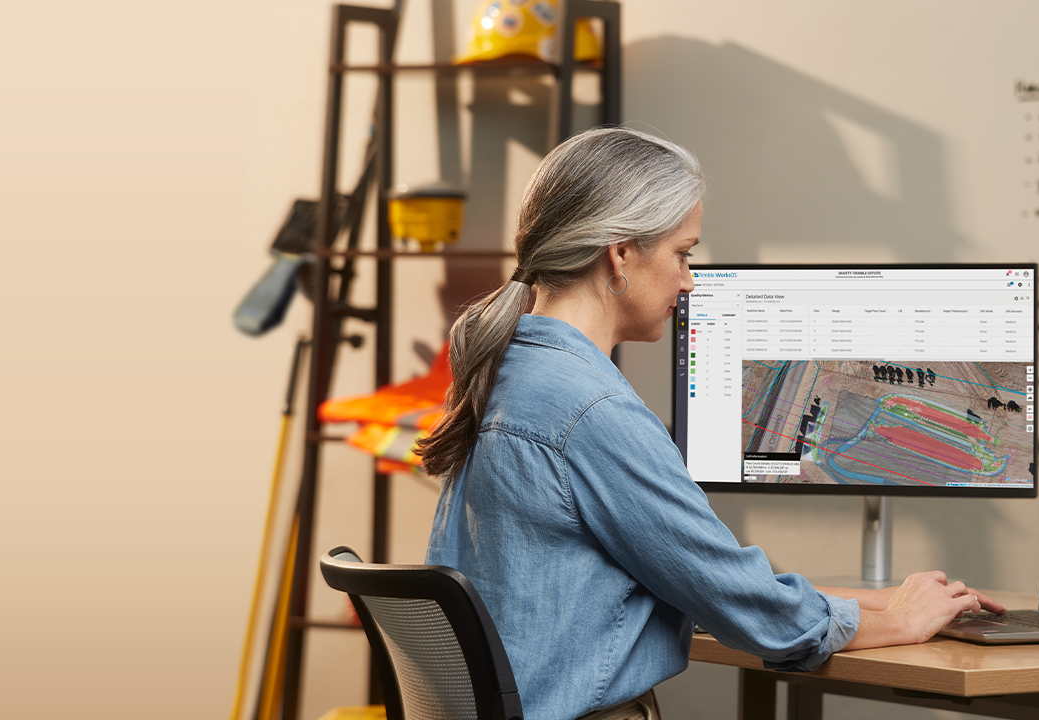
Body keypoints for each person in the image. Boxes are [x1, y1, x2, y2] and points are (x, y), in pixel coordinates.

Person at [416, 127, 1003, 720]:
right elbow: (743, 606)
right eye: (683, 253)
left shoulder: (508, 374)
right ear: (620, 253)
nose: (690, 281)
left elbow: (675, 578)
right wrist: (900, 620)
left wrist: (871, 604)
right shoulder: (591, 411)